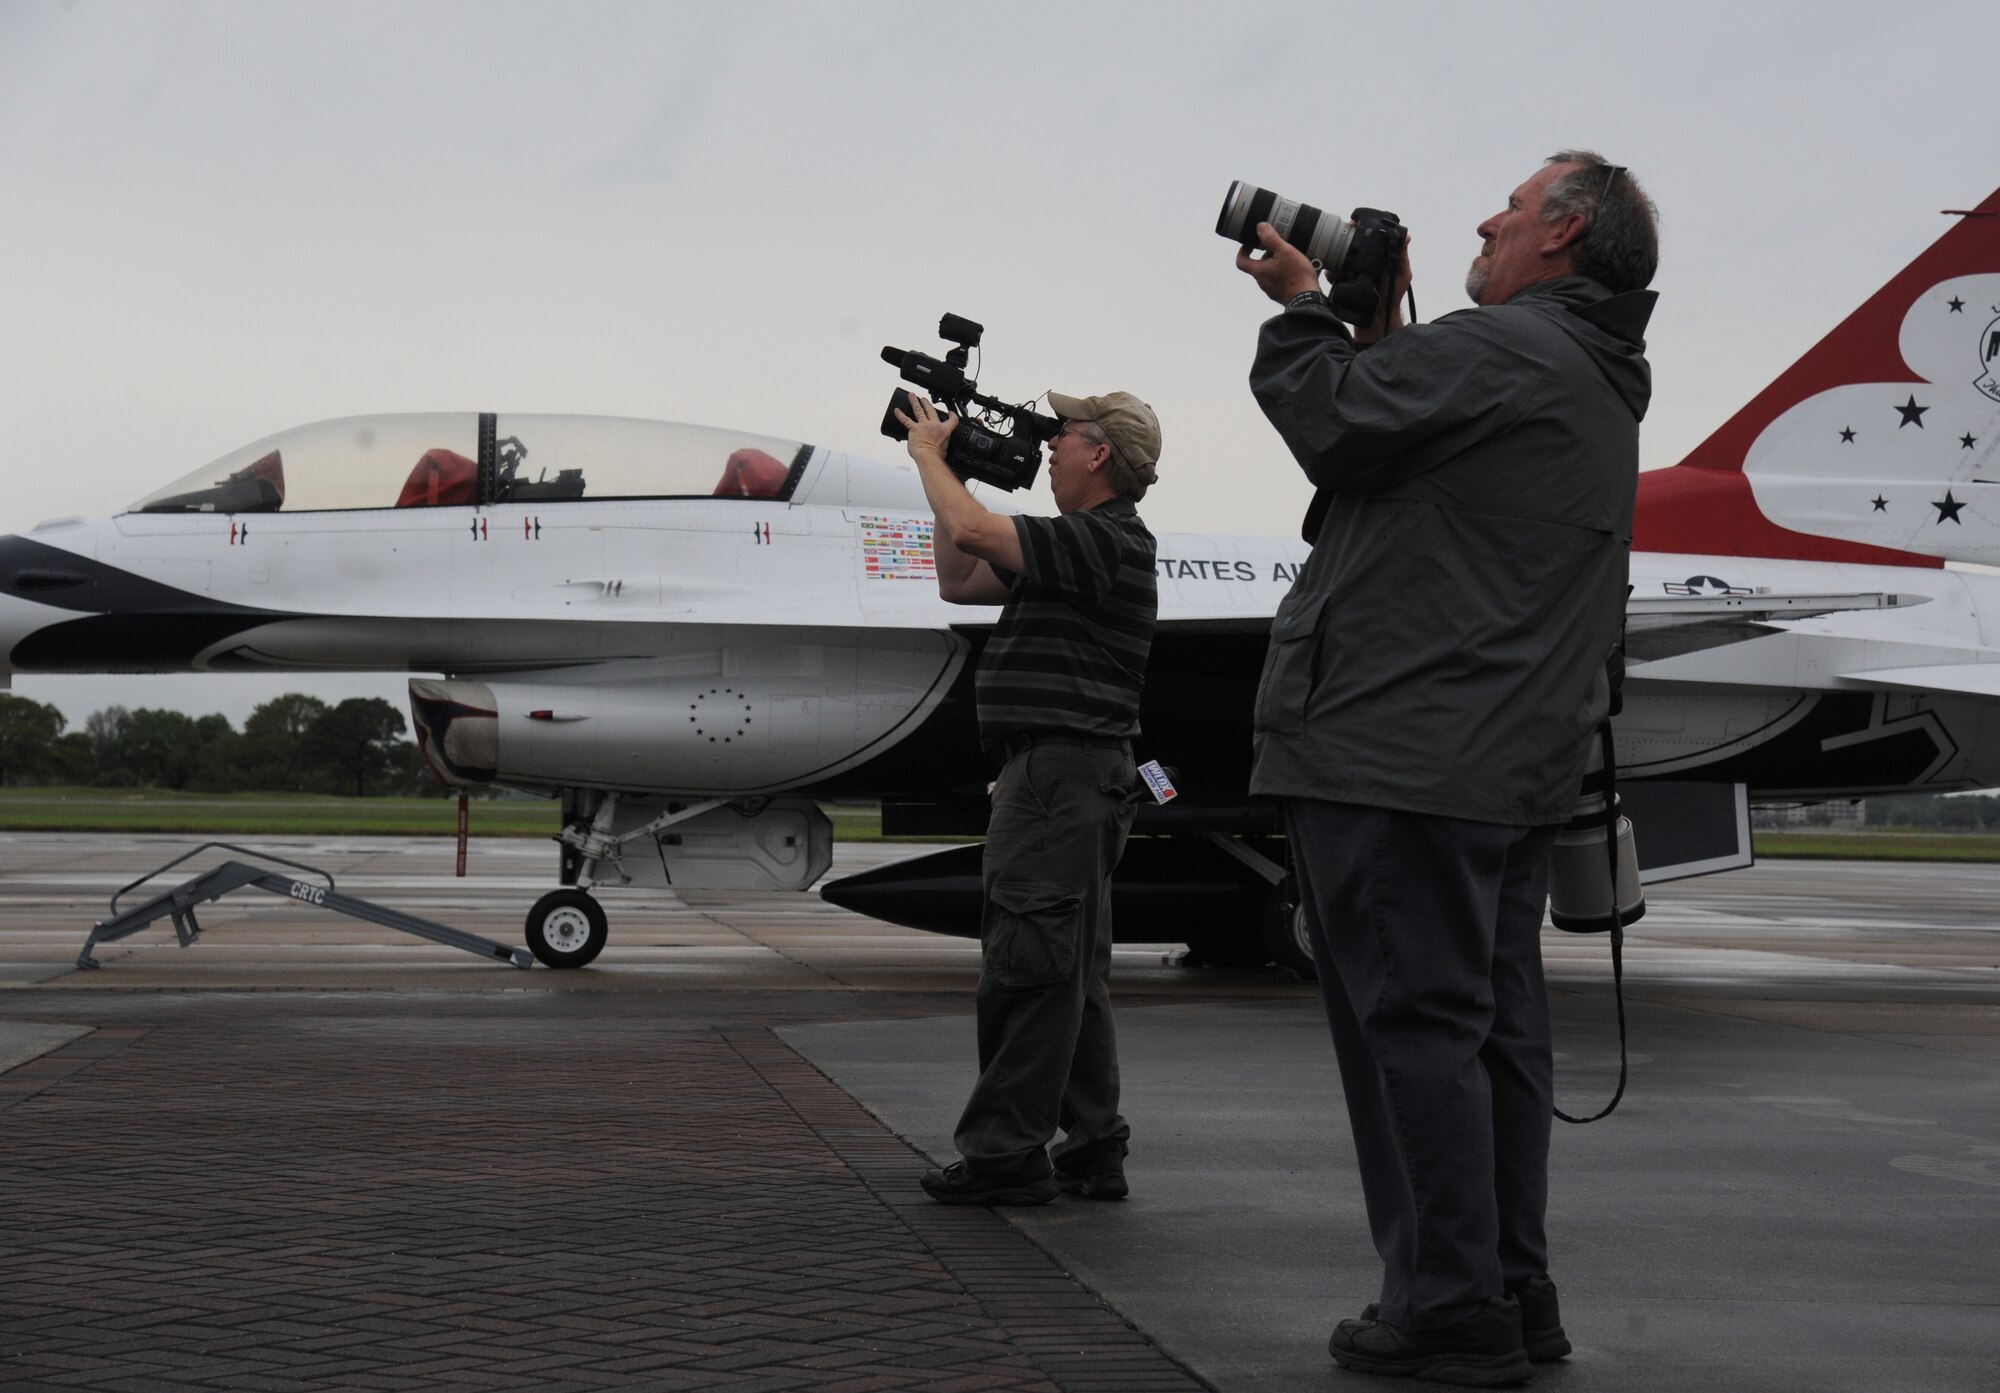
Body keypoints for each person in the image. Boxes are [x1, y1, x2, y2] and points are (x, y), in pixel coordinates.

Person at [1235, 151, 1659, 1386]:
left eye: (1511, 207)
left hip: (1396, 750)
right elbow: (1400, 446)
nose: (1484, 217)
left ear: (1563, 234)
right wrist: (1374, 325)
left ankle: (1444, 1303)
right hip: (1490, 760)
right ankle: (1507, 1286)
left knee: (1407, 1030)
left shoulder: (1512, 347)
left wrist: (1305, 313)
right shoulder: (1580, 367)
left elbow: (1333, 420)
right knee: (1485, 1034)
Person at [893, 386, 1161, 1207]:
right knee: (1070, 971)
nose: (1048, 448)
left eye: (1062, 436)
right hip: (1070, 778)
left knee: (1027, 965)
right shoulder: (1080, 549)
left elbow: (975, 531)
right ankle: (1092, 1143)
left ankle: (1007, 1153)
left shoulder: (1100, 539)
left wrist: (932, 458)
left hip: (1056, 778)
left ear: (1101, 454)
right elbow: (957, 574)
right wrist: (952, 474)